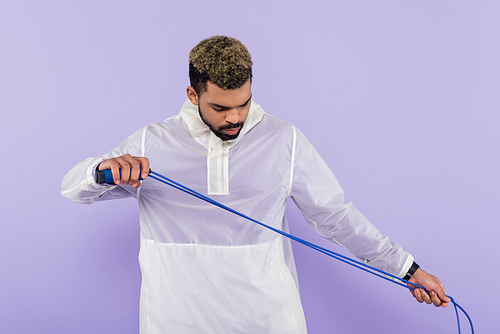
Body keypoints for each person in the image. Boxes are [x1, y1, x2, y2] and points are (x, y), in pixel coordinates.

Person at [61, 35, 449, 333]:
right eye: (220, 107)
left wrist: (407, 270)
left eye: (243, 103)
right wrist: (102, 169)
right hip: (175, 320)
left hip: (268, 319)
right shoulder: (151, 142)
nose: (235, 117)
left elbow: (336, 216)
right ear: (193, 94)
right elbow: (73, 188)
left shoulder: (284, 140)